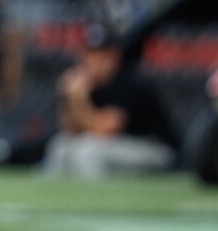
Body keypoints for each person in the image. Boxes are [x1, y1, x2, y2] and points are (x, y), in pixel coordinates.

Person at [44, 24, 178, 177]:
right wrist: (68, 98)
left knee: (87, 151)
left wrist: (80, 100)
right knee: (60, 145)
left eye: (101, 55)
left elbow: (105, 129)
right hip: (117, 146)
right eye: (90, 54)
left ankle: (95, 199)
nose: (93, 61)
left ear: (114, 57)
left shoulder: (129, 83)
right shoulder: (91, 83)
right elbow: (71, 129)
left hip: (156, 150)